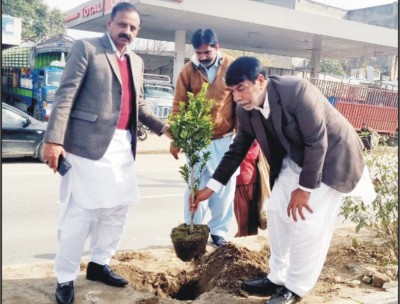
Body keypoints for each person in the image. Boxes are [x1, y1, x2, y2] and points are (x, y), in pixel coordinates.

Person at [191, 56, 376, 304]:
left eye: (241, 89)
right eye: (232, 91)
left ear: (260, 81)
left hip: (332, 159)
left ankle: (295, 287)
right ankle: (277, 277)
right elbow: (236, 151)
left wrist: (304, 189)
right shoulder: (244, 110)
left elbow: (317, 143)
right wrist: (210, 189)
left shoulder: (297, 91)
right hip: (296, 158)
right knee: (277, 210)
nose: (236, 98)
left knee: (307, 224)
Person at [42, 3, 171, 304]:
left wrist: (165, 129)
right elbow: (66, 95)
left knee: (117, 210)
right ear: (110, 24)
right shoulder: (87, 49)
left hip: (123, 146)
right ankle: (65, 277)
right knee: (81, 213)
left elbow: (140, 106)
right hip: (86, 147)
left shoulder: (136, 62)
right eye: (122, 25)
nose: (127, 31)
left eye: (133, 28)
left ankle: (100, 263)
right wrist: (53, 140)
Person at [170, 28, 237, 247]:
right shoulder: (187, 71)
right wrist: (176, 138)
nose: (202, 56)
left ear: (217, 47)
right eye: (198, 53)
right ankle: (195, 230)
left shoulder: (232, 67)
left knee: (224, 189)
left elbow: (240, 102)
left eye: (207, 52)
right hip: (196, 141)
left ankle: (219, 231)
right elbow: (179, 105)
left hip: (226, 139)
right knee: (195, 186)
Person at [234, 140, 260, 237]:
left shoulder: (257, 144)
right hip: (241, 184)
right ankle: (242, 242)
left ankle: (247, 245)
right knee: (244, 222)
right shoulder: (237, 142)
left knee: (250, 223)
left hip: (253, 184)